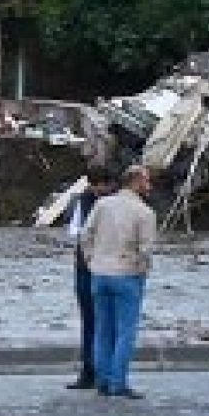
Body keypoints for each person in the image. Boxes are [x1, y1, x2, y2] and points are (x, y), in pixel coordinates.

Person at [81, 162, 159, 399]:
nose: (150, 185)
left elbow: (86, 235)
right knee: (126, 332)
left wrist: (91, 261)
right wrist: (142, 270)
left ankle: (102, 380)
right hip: (127, 274)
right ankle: (119, 382)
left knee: (103, 329)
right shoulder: (145, 213)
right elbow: (146, 250)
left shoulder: (102, 204)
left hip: (100, 273)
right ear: (136, 183)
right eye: (146, 181)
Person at [64, 165, 116, 390]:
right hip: (88, 267)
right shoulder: (84, 201)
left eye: (105, 186)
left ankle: (103, 372)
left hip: (105, 268)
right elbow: (75, 231)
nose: (102, 190)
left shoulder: (114, 202)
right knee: (90, 321)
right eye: (98, 186)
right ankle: (89, 371)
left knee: (105, 322)